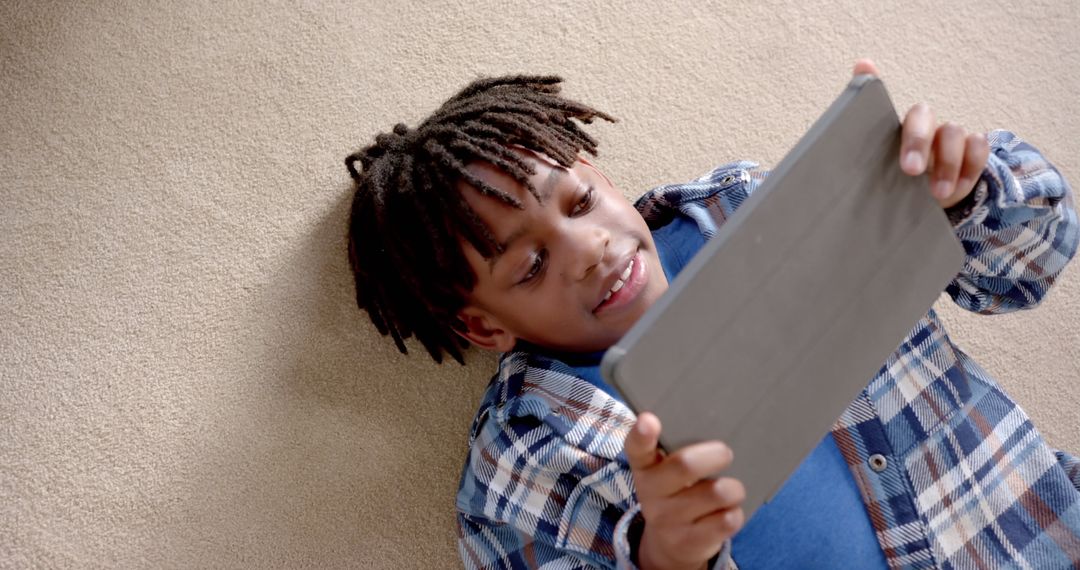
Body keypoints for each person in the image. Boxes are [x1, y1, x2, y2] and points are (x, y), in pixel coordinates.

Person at [345, 60, 1080, 569]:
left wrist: (967, 188)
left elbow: (1035, 261)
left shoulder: (753, 206)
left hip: (1038, 534)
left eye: (580, 203)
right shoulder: (525, 460)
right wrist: (667, 555)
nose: (591, 250)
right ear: (483, 326)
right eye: (531, 267)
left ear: (598, 171)